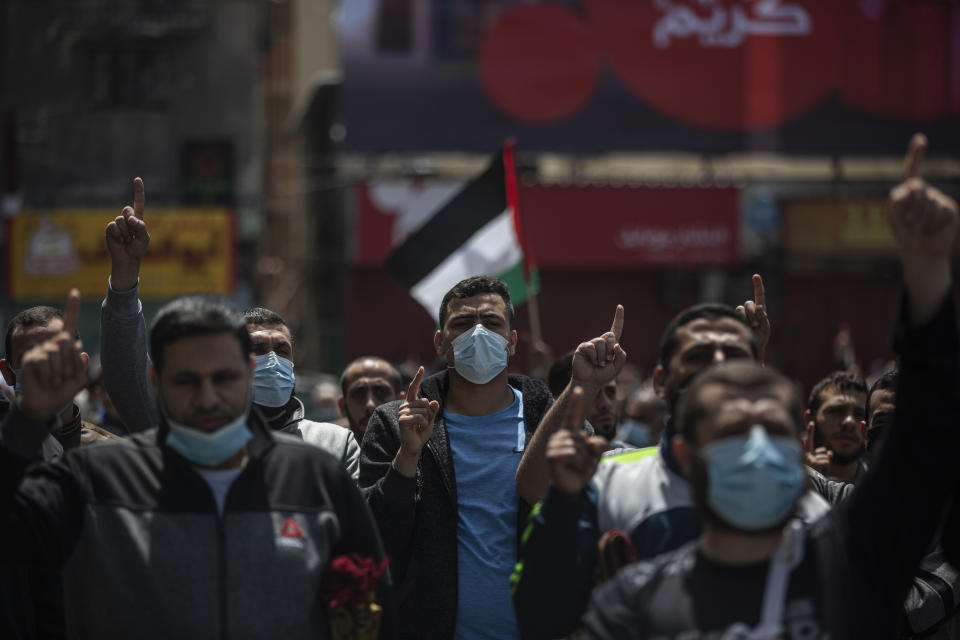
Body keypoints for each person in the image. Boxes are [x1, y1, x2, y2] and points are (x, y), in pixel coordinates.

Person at [578, 132, 960, 639]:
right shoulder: (633, 602)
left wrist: (928, 269)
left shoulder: (850, 566)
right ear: (688, 456)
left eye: (772, 428)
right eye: (735, 429)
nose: (756, 445)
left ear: (802, 448)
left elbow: (926, 433)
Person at [0, 290, 390, 638]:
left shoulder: (316, 477)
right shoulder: (98, 478)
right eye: (187, 381)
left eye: (223, 378)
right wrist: (28, 421)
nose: (207, 398)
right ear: (156, 382)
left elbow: (369, 606)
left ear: (248, 374)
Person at [513, 294, 832, 640]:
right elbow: (541, 615)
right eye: (699, 356)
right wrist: (583, 386)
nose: (718, 365)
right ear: (662, 381)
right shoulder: (608, 479)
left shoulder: (807, 507)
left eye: (735, 355)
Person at [100, 178, 360, 477]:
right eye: (259, 349)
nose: (273, 360)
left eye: (282, 350)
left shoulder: (334, 444)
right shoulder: (193, 436)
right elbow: (126, 378)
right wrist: (124, 276)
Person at [360, 275, 553, 640]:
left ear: (511, 342)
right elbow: (375, 539)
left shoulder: (546, 420)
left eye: (492, 323)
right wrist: (407, 458)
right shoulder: (392, 422)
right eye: (463, 324)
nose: (478, 333)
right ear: (440, 342)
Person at [1, 306, 117, 454]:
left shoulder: (113, 455)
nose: (45, 370)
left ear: (80, 367)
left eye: (57, 357)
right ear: (7, 372)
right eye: (30, 361)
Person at [804, 371, 868, 483]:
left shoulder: (883, 487)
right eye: (837, 411)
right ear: (809, 419)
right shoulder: (782, 480)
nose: (849, 422)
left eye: (859, 414)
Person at [547, 351, 620, 442]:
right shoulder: (536, 455)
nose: (605, 404)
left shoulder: (636, 454)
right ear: (558, 403)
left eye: (611, 392)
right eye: (592, 394)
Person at [339, 356, 404, 444]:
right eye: (359, 394)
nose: (370, 405)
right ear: (343, 407)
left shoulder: (422, 452)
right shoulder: (327, 456)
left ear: (401, 402)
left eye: (381, 392)